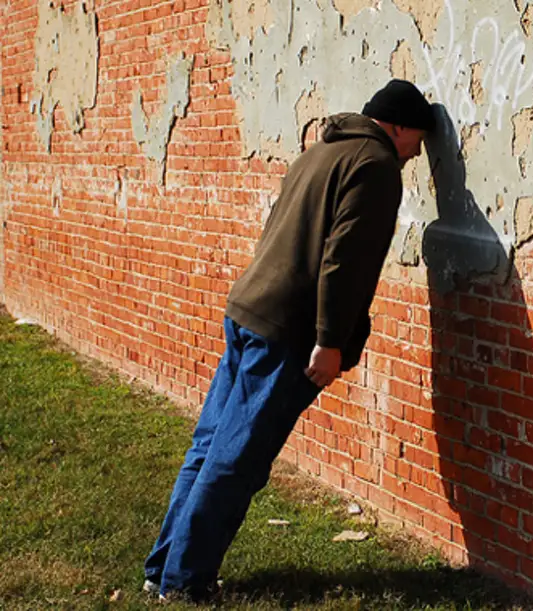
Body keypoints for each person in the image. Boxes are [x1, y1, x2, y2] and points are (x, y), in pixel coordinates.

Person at [142, 79, 435, 601]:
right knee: (237, 459)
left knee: (209, 446)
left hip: (248, 310)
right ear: (398, 127)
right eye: (419, 138)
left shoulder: (318, 153)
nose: (418, 152)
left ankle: (164, 568)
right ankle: (185, 582)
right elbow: (344, 261)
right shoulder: (376, 166)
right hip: (286, 330)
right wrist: (330, 341)